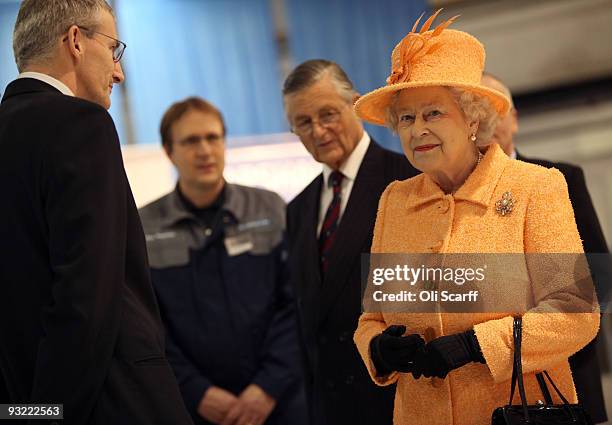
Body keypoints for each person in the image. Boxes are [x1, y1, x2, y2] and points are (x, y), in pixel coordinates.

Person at [352, 10, 599, 425]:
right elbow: (371, 318)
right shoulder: (394, 201)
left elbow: (577, 312)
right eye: (406, 118)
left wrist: (477, 345)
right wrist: (377, 348)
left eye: (433, 113)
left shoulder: (535, 187)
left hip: (517, 412)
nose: (417, 130)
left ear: (473, 119)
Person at [0, 1, 193, 424]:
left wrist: (28, 411)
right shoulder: (79, 124)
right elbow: (85, 295)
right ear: (74, 41)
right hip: (109, 400)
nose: (119, 72)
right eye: (113, 49)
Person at [139, 97, 307, 425]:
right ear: (168, 151)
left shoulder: (269, 209)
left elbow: (296, 304)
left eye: (212, 138)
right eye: (190, 141)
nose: (205, 151)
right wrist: (195, 391)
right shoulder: (142, 228)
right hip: (193, 408)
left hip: (279, 402)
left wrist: (267, 386)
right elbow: (147, 325)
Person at [282, 59, 419, 425]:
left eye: (328, 114)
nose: (319, 131)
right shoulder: (298, 209)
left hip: (399, 399)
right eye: (303, 123)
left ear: (356, 104)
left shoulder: (410, 182)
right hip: (329, 408)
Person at [481, 72, 609, 423]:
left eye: (496, 109)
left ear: (515, 119)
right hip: (489, 380)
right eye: (476, 112)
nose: (488, 121)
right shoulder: (455, 194)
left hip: (567, 370)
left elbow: (601, 278)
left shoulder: (561, 177)